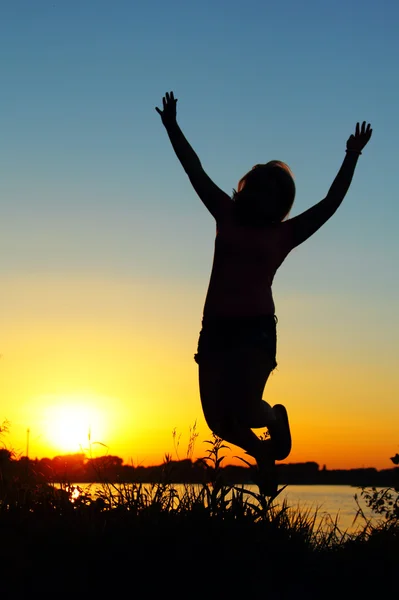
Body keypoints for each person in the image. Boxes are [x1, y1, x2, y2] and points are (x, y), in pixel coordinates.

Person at [156, 91, 372, 495]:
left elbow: (331, 203)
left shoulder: (285, 234)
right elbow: (194, 170)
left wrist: (352, 155)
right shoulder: (225, 214)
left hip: (255, 331)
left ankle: (272, 422)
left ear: (280, 203)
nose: (256, 196)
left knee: (242, 408)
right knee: (219, 423)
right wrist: (172, 126)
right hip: (215, 329)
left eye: (267, 192)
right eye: (253, 188)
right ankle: (265, 450)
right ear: (244, 191)